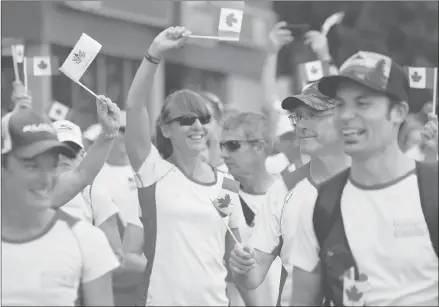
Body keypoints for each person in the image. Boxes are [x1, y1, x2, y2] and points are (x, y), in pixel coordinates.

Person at [290, 51, 438, 306]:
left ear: (398, 112)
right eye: (340, 104)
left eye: (363, 103)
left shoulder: (432, 191)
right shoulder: (319, 206)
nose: (346, 115)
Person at [125, 26, 244, 306]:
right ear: (165, 129)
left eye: (203, 119)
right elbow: (134, 107)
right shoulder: (153, 171)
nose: (197, 127)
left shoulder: (226, 184)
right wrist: (154, 54)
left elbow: (233, 257)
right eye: (186, 120)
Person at [229, 81, 350, 306]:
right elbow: (252, 276)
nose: (301, 125)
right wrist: (241, 267)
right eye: (298, 117)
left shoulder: (371, 185)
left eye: (313, 115)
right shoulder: (283, 190)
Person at [1, 96, 121, 306]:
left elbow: (82, 174)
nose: (46, 179)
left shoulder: (87, 241)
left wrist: (109, 133)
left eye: (52, 165)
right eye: (31, 165)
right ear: (3, 167)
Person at [220, 111, 285, 306]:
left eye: (233, 146)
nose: (224, 154)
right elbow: (225, 257)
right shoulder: (223, 192)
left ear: (258, 147)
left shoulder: (288, 192)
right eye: (221, 146)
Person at [90, 110, 147, 306]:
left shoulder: (149, 173)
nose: (124, 135)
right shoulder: (94, 175)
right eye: (121, 130)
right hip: (111, 277)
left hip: (145, 282)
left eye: (129, 130)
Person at [53, 119, 123, 260]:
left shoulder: (94, 193)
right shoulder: (32, 191)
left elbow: (116, 255)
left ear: (82, 155)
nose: (63, 157)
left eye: (70, 151)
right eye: (57, 150)